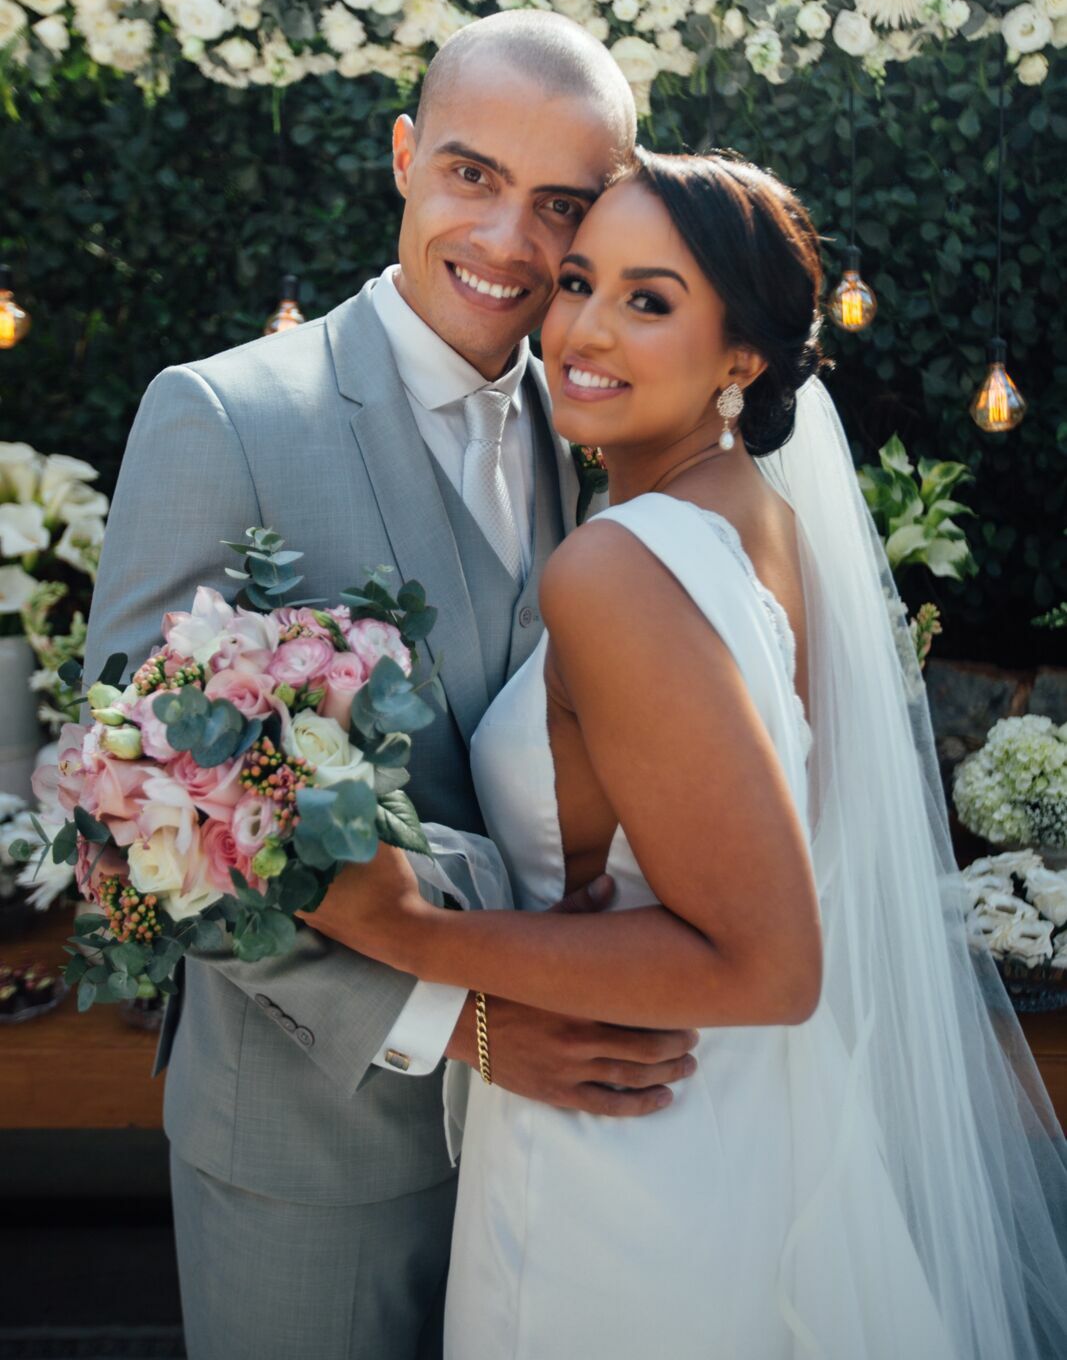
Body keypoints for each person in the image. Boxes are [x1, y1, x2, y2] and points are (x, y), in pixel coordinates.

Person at [306, 149, 1067, 1359]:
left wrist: (405, 932)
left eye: (648, 300)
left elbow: (768, 961)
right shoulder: (761, 526)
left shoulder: (618, 563)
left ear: (741, 358)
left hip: (623, 1167)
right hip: (740, 1134)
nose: (582, 330)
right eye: (576, 283)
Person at [81, 12, 701, 1360]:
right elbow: (132, 820)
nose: (507, 242)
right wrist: (457, 1017)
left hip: (561, 1154)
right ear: (404, 155)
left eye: (559, 205)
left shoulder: (598, 425)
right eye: (472, 176)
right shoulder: (224, 418)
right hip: (312, 1150)